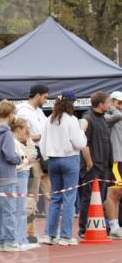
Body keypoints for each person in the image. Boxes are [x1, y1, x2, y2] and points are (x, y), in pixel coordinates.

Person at [39, 90, 87, 245]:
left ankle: (49, 234)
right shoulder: (72, 120)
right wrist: (82, 130)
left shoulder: (50, 119)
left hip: (53, 160)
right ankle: (66, 236)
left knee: (55, 198)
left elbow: (42, 142)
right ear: (71, 103)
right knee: (69, 198)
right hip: (70, 159)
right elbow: (80, 143)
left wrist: (47, 158)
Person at [15, 83, 51, 240]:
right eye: (45, 97)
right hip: (32, 157)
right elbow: (20, 135)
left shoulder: (39, 111)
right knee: (33, 196)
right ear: (38, 95)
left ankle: (49, 232)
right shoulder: (23, 111)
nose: (46, 100)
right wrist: (41, 136)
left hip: (44, 157)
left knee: (49, 194)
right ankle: (30, 233)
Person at [78, 91, 113, 238]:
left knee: (100, 198)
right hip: (93, 167)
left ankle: (99, 226)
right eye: (108, 102)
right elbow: (83, 143)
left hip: (104, 166)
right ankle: (83, 229)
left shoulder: (103, 118)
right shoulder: (88, 118)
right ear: (101, 104)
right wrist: (89, 163)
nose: (110, 105)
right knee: (88, 198)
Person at [0, 100, 21, 251]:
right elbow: (10, 155)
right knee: (9, 210)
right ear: (10, 114)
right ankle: (10, 241)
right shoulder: (7, 133)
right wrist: (19, 158)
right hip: (7, 175)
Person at [11, 118, 39, 250]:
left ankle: (21, 238)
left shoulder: (19, 143)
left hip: (24, 173)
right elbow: (20, 161)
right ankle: (20, 239)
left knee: (21, 208)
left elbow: (33, 153)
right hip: (20, 173)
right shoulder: (14, 143)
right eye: (25, 128)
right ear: (18, 129)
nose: (27, 131)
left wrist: (28, 139)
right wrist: (27, 160)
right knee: (20, 209)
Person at [104, 90, 122, 238]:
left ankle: (115, 225)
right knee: (114, 193)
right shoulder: (110, 115)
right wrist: (111, 106)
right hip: (117, 160)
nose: (121, 106)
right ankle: (113, 226)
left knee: (118, 194)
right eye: (119, 103)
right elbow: (114, 116)